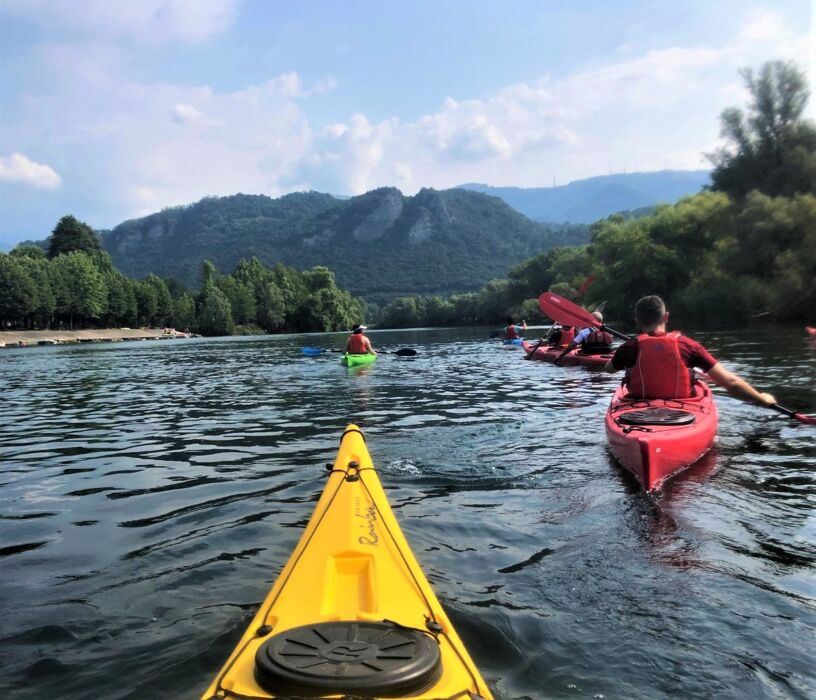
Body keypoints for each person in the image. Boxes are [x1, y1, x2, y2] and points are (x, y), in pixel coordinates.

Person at [604, 295, 775, 405]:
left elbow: (609, 369)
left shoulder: (630, 347)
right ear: (666, 316)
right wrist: (762, 399)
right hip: (682, 413)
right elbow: (732, 383)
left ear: (637, 320)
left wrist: (623, 355)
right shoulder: (688, 346)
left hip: (637, 414)